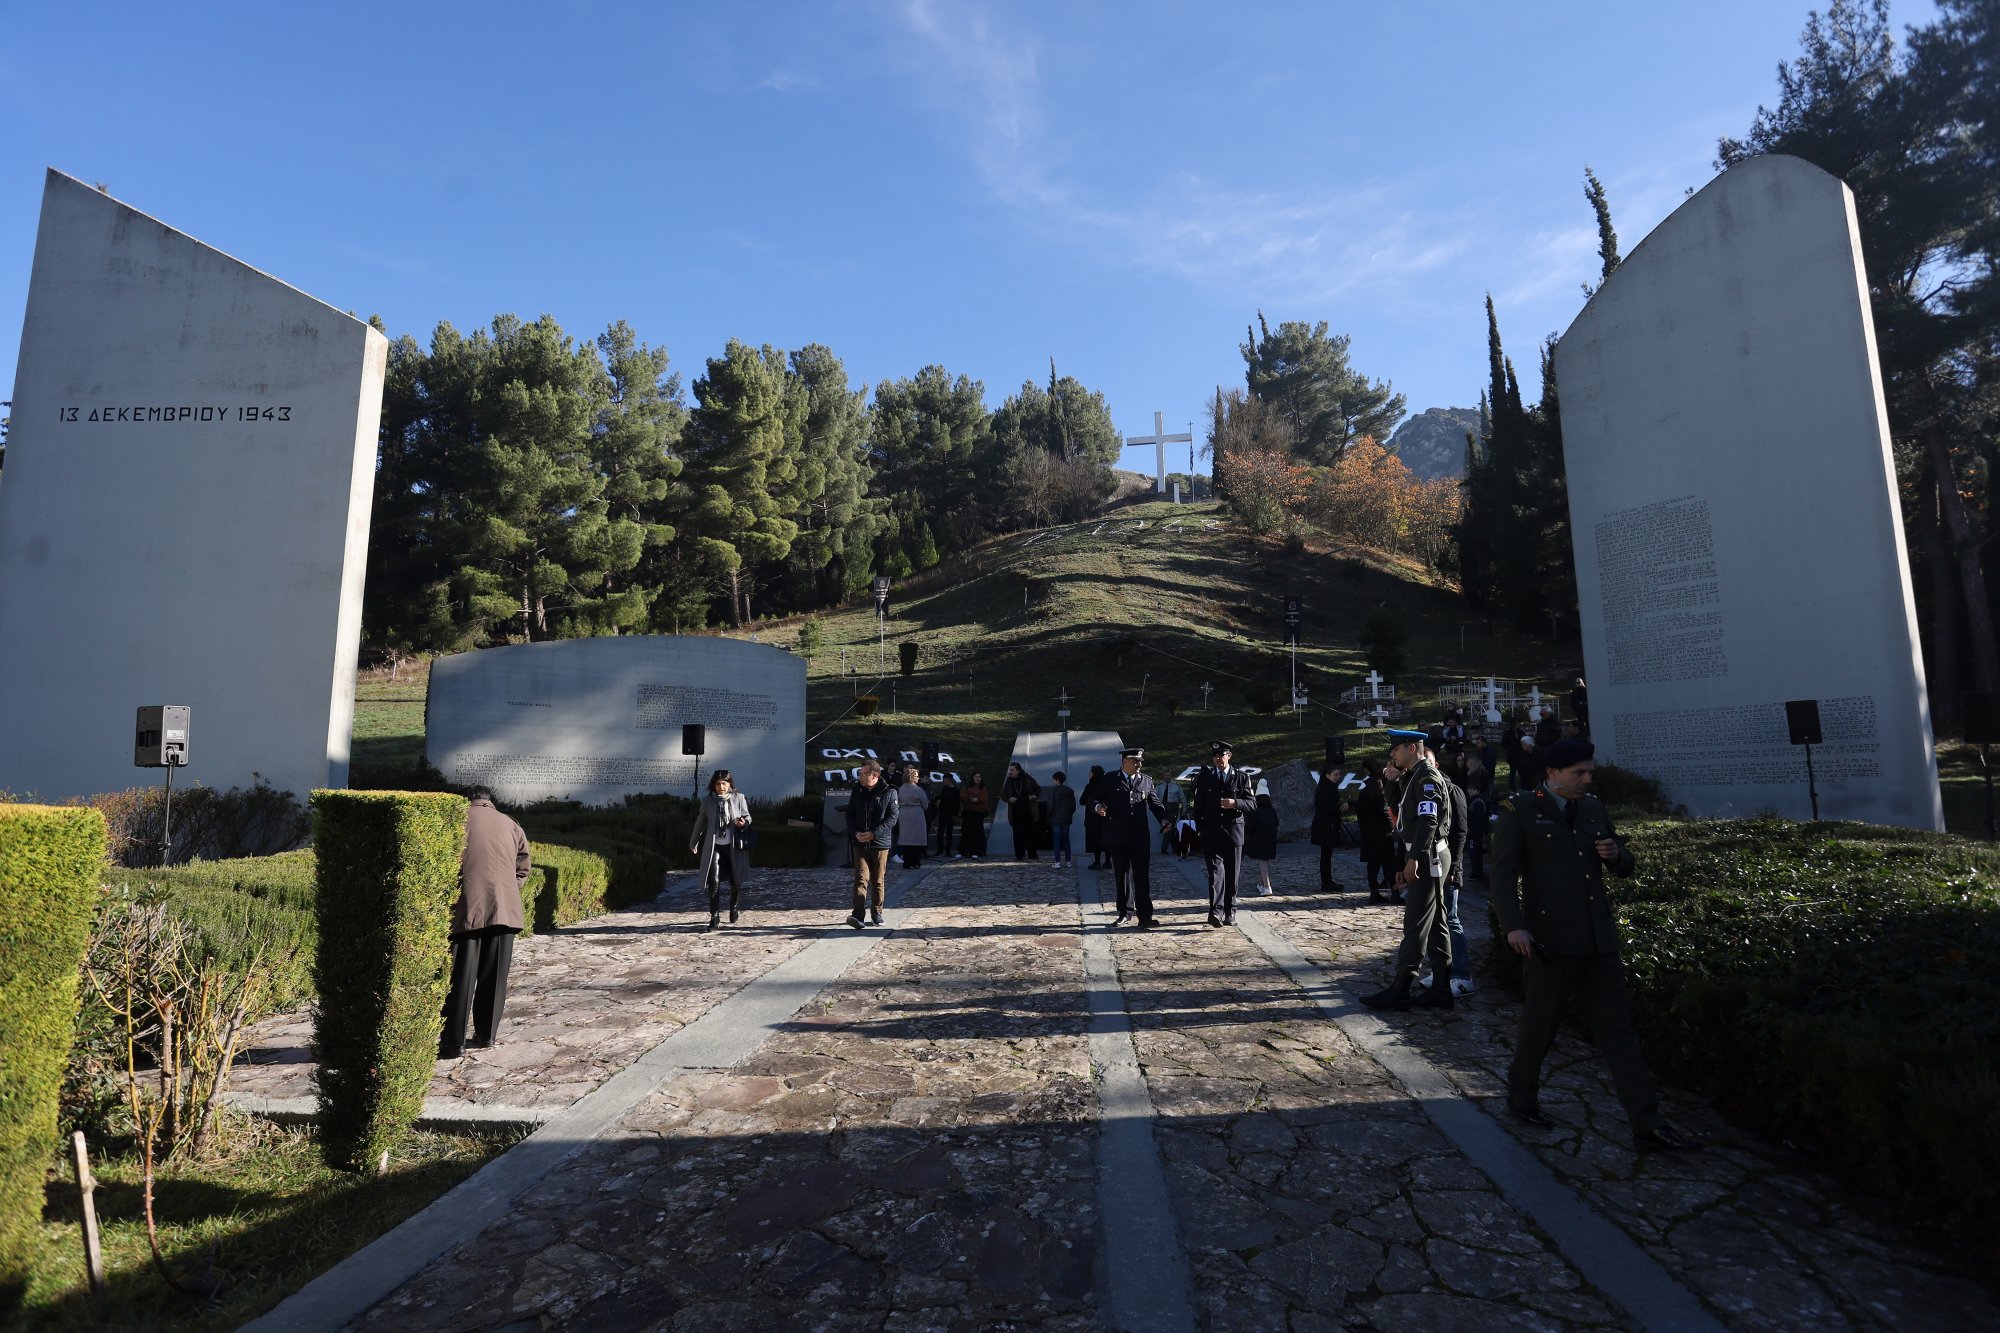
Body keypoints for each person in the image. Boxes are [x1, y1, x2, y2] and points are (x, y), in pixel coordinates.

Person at [1490, 739, 1698, 1152]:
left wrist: (1617, 855)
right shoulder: (1521, 810)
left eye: (1590, 771)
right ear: (1552, 774)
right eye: (1578, 773)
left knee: (1619, 1031)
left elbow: (1625, 863)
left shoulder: (1592, 808)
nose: (1588, 779)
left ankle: (1647, 1121)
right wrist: (1514, 927)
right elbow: (1501, 874)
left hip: (1598, 940)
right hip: (1550, 942)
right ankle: (1521, 1094)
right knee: (1541, 1026)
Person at [1360, 730, 1455, 1011]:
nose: (1392, 756)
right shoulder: (1412, 775)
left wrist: (1414, 859)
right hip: (1424, 854)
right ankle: (1441, 988)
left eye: (1396, 751)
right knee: (1437, 923)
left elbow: (1427, 821)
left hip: (1428, 856)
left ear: (1412, 748)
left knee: (1414, 924)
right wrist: (1390, 783)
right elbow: (1403, 818)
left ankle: (1401, 989)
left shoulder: (1425, 776)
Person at [440, 786, 530, 1058]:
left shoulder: (455, 821)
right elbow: (523, 868)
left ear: (466, 799)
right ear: (490, 801)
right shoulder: (510, 824)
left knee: (461, 978)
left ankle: (454, 1042)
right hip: (505, 911)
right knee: (494, 978)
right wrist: (506, 891)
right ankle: (486, 1035)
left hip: (466, 908)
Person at [1415, 767, 1475, 998]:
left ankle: (1462, 974)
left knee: (1450, 918)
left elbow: (1460, 832)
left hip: (1447, 866)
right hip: (1430, 866)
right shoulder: (1423, 789)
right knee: (1435, 921)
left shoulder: (1452, 790)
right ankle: (1443, 971)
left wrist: (1456, 868)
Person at [1095, 746, 1169, 927]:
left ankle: (1145, 916)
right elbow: (1093, 798)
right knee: (1122, 875)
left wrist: (1164, 820)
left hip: (1140, 836)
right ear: (1125, 762)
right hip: (1118, 836)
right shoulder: (1110, 779)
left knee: (1142, 876)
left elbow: (1155, 803)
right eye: (1135, 761)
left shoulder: (1146, 781)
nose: (1138, 764)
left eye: (1140, 761)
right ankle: (1124, 912)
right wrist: (1097, 807)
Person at [1192, 740, 1256, 926]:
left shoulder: (1242, 777)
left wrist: (1236, 803)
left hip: (1234, 832)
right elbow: (1198, 806)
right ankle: (1216, 911)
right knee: (1215, 873)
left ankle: (1230, 911)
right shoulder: (1205, 777)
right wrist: (1200, 829)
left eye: (1221, 756)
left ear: (1229, 756)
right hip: (1211, 833)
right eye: (1215, 756)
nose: (1218, 759)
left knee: (1232, 873)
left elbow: (1252, 803)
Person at [689, 769, 753, 931]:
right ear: (714, 786)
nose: (721, 787)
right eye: (718, 784)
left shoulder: (739, 798)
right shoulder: (708, 801)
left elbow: (748, 817)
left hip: (733, 847)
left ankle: (733, 907)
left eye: (724, 783)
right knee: (713, 882)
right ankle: (714, 916)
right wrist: (693, 841)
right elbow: (700, 823)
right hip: (714, 847)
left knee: (735, 881)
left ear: (730, 784)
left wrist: (743, 823)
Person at [844, 760, 898, 929]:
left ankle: (877, 913)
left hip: (879, 844)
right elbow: (849, 815)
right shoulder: (857, 791)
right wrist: (855, 833)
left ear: (874, 775)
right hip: (859, 842)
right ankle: (858, 915)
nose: (860, 776)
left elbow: (892, 818)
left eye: (863, 773)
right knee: (860, 878)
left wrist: (874, 834)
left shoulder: (890, 792)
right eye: (859, 773)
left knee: (878, 879)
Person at [1353, 758, 1395, 902]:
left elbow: (1360, 812)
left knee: (1373, 865)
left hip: (1369, 833)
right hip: (1383, 833)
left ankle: (1374, 891)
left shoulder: (1366, 791)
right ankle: (1395, 893)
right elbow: (1384, 812)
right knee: (1388, 864)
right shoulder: (1380, 789)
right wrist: (1391, 827)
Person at [1310, 761, 1345, 893]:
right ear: (1327, 775)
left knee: (1327, 856)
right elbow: (1328, 807)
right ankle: (1326, 882)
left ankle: (1328, 881)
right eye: (1335, 775)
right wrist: (1341, 808)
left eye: (1339, 775)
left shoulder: (1327, 787)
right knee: (1326, 856)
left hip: (1326, 826)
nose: (1338, 777)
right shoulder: (1325, 788)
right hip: (1325, 827)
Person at [1001, 762, 1042, 860]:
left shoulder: (1027, 779)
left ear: (1018, 770)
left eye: (1012, 770)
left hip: (1028, 810)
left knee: (1030, 833)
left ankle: (1032, 854)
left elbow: (1038, 789)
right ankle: (1019, 855)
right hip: (1015, 811)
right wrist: (1009, 799)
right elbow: (1003, 794)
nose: (1010, 772)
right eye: (1010, 770)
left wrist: (1034, 796)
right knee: (1017, 834)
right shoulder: (1009, 781)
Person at [1246, 782, 1280, 896]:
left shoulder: (1255, 812)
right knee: (1265, 863)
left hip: (1258, 841)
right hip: (1270, 841)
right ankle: (1261, 884)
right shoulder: (1272, 811)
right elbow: (1276, 823)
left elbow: (1249, 827)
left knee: (1263, 863)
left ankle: (1267, 886)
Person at [894, 766, 929, 869]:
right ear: (912, 777)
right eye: (916, 776)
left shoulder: (901, 788)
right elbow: (925, 804)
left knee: (906, 838)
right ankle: (915, 861)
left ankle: (907, 861)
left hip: (904, 813)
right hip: (916, 813)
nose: (918, 778)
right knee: (916, 839)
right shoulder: (919, 790)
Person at [1047, 770, 1078, 868]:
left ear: (1057, 780)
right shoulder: (1069, 791)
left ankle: (1057, 862)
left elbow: (1050, 805)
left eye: (1054, 779)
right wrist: (1069, 814)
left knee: (1057, 840)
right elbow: (1073, 806)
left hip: (1055, 819)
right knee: (1066, 839)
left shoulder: (1053, 791)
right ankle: (1068, 861)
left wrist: (1049, 815)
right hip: (1066, 819)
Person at [1081, 764, 1108, 869]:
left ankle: (1097, 862)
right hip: (1106, 816)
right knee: (1106, 838)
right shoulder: (1106, 785)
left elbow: (1082, 801)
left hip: (1093, 817)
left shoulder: (1090, 786)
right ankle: (1107, 861)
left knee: (1096, 839)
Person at [960, 773, 990, 858]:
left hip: (978, 813)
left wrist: (975, 799)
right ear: (973, 777)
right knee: (966, 831)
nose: (977, 778)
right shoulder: (967, 787)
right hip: (968, 812)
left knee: (977, 832)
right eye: (976, 776)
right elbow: (963, 796)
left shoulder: (983, 788)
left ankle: (977, 851)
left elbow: (983, 799)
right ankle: (963, 851)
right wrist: (971, 798)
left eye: (979, 777)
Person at [934, 777, 961, 859]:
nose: (943, 781)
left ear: (948, 780)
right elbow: (942, 800)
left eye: (944, 779)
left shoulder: (955, 790)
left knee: (949, 832)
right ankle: (940, 850)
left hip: (951, 814)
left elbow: (957, 803)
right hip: (943, 813)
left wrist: (955, 815)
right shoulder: (944, 789)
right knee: (940, 832)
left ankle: (948, 851)